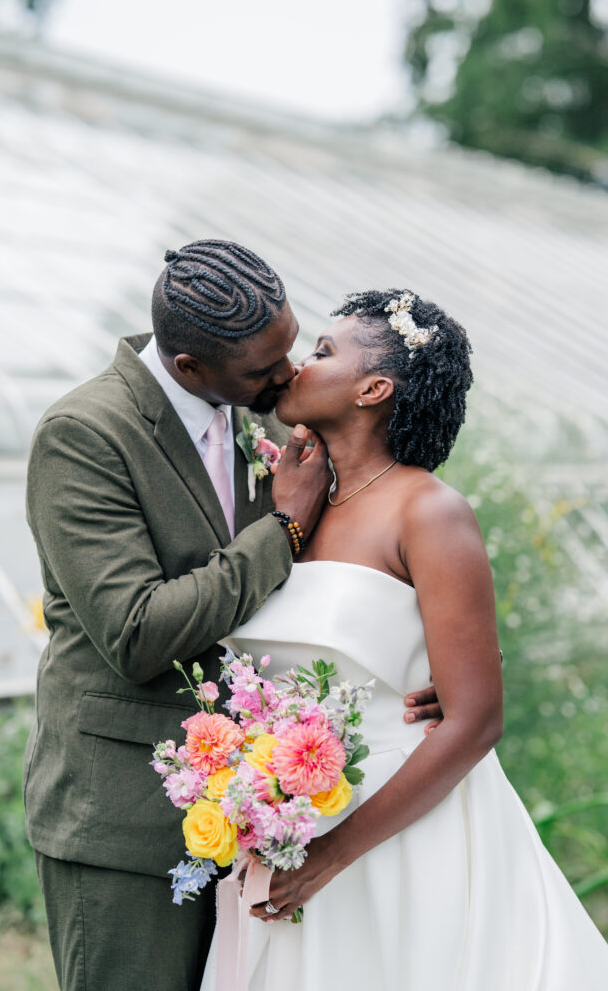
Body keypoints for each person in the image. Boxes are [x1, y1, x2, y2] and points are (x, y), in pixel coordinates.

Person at [23, 243, 442, 991]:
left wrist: (429, 667)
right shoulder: (86, 433)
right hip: (123, 821)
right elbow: (137, 631)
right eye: (262, 369)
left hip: (253, 821)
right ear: (188, 366)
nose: (287, 375)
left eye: (290, 348)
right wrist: (279, 528)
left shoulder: (253, 427)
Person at [199, 289, 608, 990]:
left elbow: (475, 716)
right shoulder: (289, 501)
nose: (298, 365)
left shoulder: (429, 510)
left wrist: (331, 855)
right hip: (297, 816)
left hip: (401, 826)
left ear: (374, 388)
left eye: (323, 352)